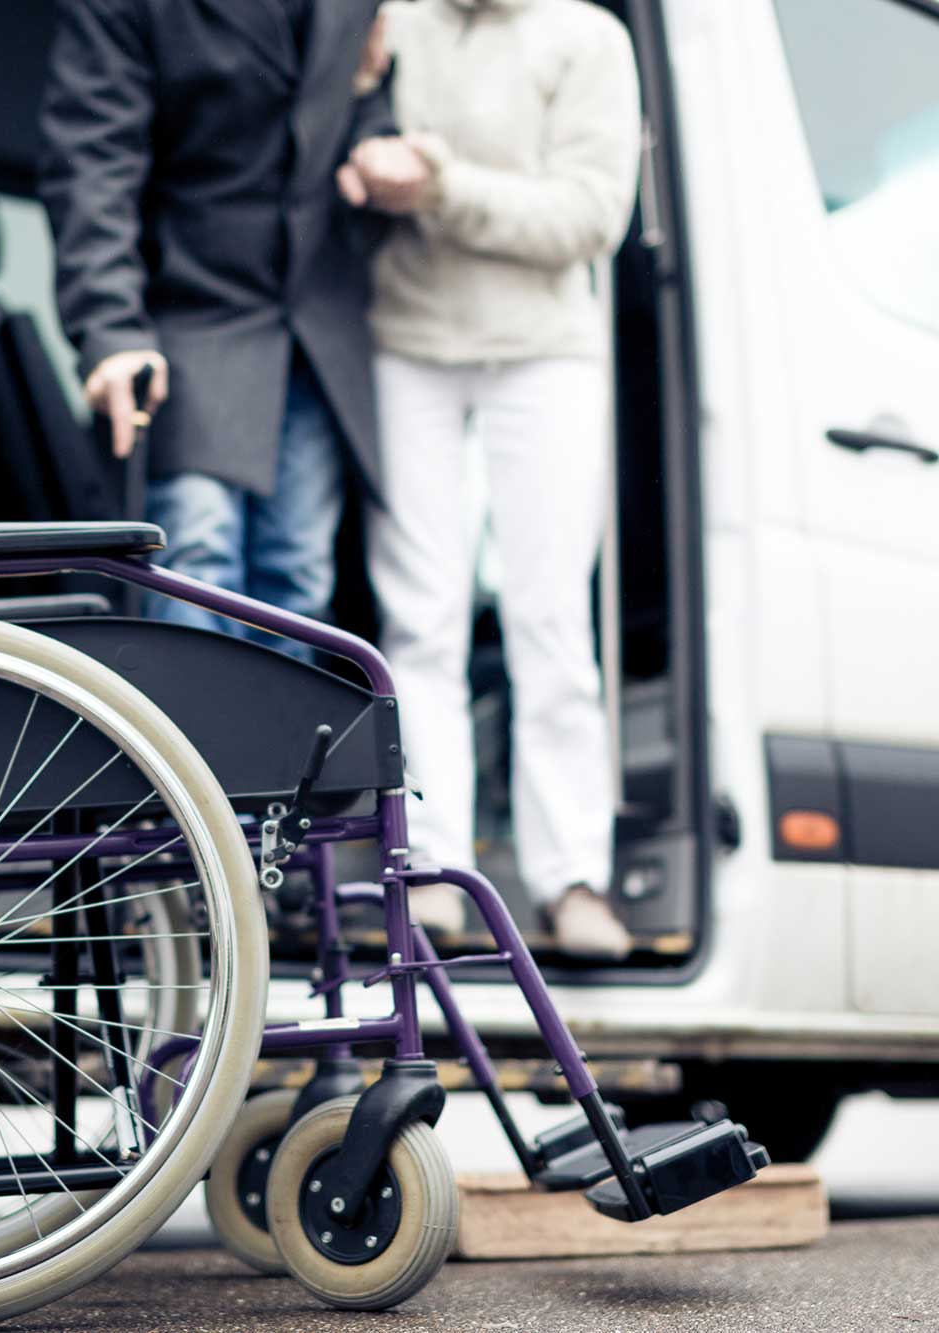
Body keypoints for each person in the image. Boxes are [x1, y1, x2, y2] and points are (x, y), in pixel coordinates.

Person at [344, 0, 642, 958]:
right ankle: (428, 866)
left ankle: (573, 879)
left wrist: (441, 186)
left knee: (550, 614)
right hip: (406, 343)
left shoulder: (586, 37)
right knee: (417, 618)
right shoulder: (391, 21)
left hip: (543, 353)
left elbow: (592, 215)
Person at [39, 0, 428, 655]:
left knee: (299, 579)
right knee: (193, 554)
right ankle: (189, 757)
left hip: (315, 327)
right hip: (192, 313)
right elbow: (94, 164)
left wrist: (376, 149)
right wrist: (110, 328)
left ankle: (272, 760)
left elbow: (354, 118)